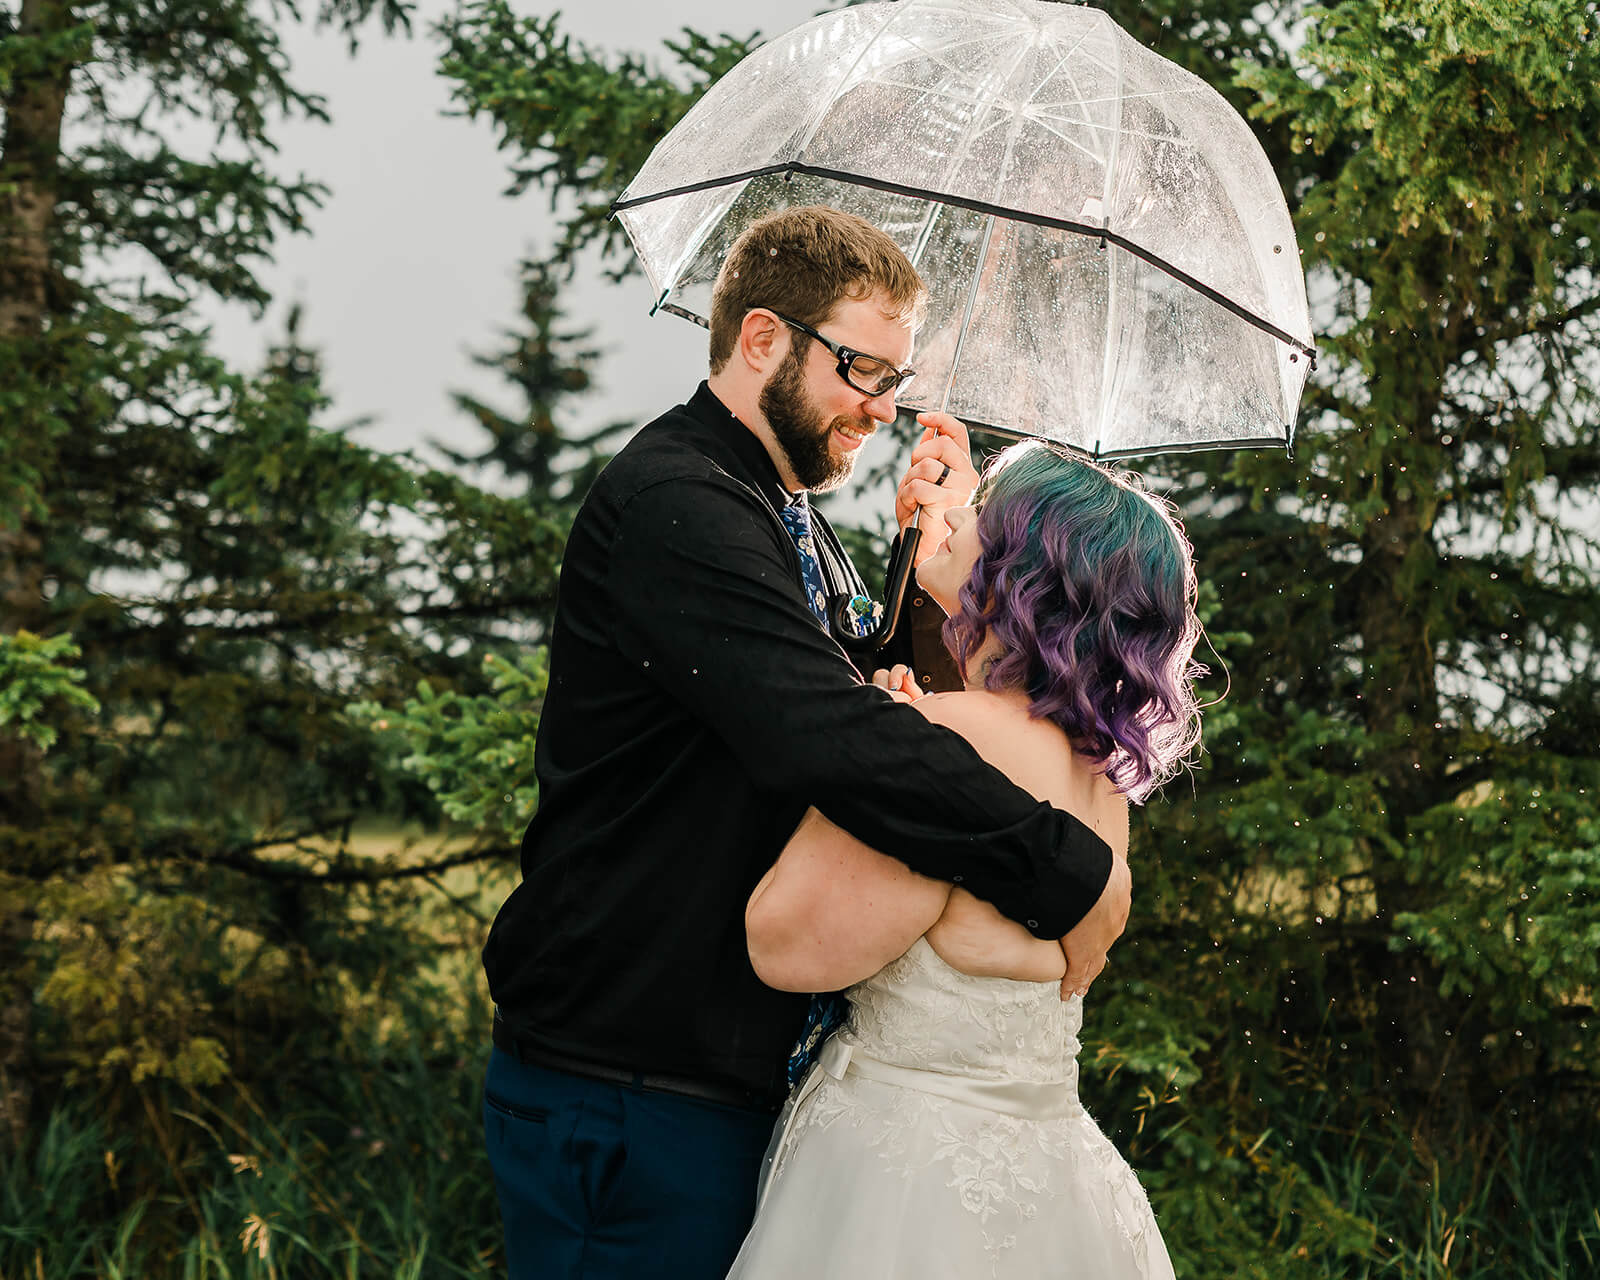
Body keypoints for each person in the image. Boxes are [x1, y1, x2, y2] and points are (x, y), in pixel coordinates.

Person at [480, 206, 1131, 1280]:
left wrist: (929, 567)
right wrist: (1064, 867)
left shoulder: (776, 507)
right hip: (627, 1077)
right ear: (763, 338)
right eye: (862, 369)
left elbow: (862, 682)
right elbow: (822, 734)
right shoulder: (678, 502)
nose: (881, 409)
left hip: (711, 1074)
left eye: (895, 379)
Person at [729, 442, 1203, 1279]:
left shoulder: (952, 734)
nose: (955, 512)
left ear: (1024, 571)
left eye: (982, 507)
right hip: (1054, 1184)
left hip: (902, 1185)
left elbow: (784, 946)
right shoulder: (1101, 776)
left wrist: (865, 753)